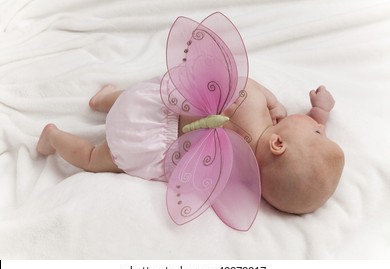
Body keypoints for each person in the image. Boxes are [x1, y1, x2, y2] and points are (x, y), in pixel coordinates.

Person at [37, 77, 344, 215]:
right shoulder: (238, 180)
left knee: (145, 93)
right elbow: (300, 151)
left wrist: (278, 102)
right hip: (143, 144)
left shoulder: (254, 102)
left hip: (149, 106)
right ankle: (53, 137)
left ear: (278, 142)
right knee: (92, 158)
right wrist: (318, 117)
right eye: (322, 128)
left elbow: (240, 81)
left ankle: (106, 98)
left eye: (319, 132)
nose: (320, 125)